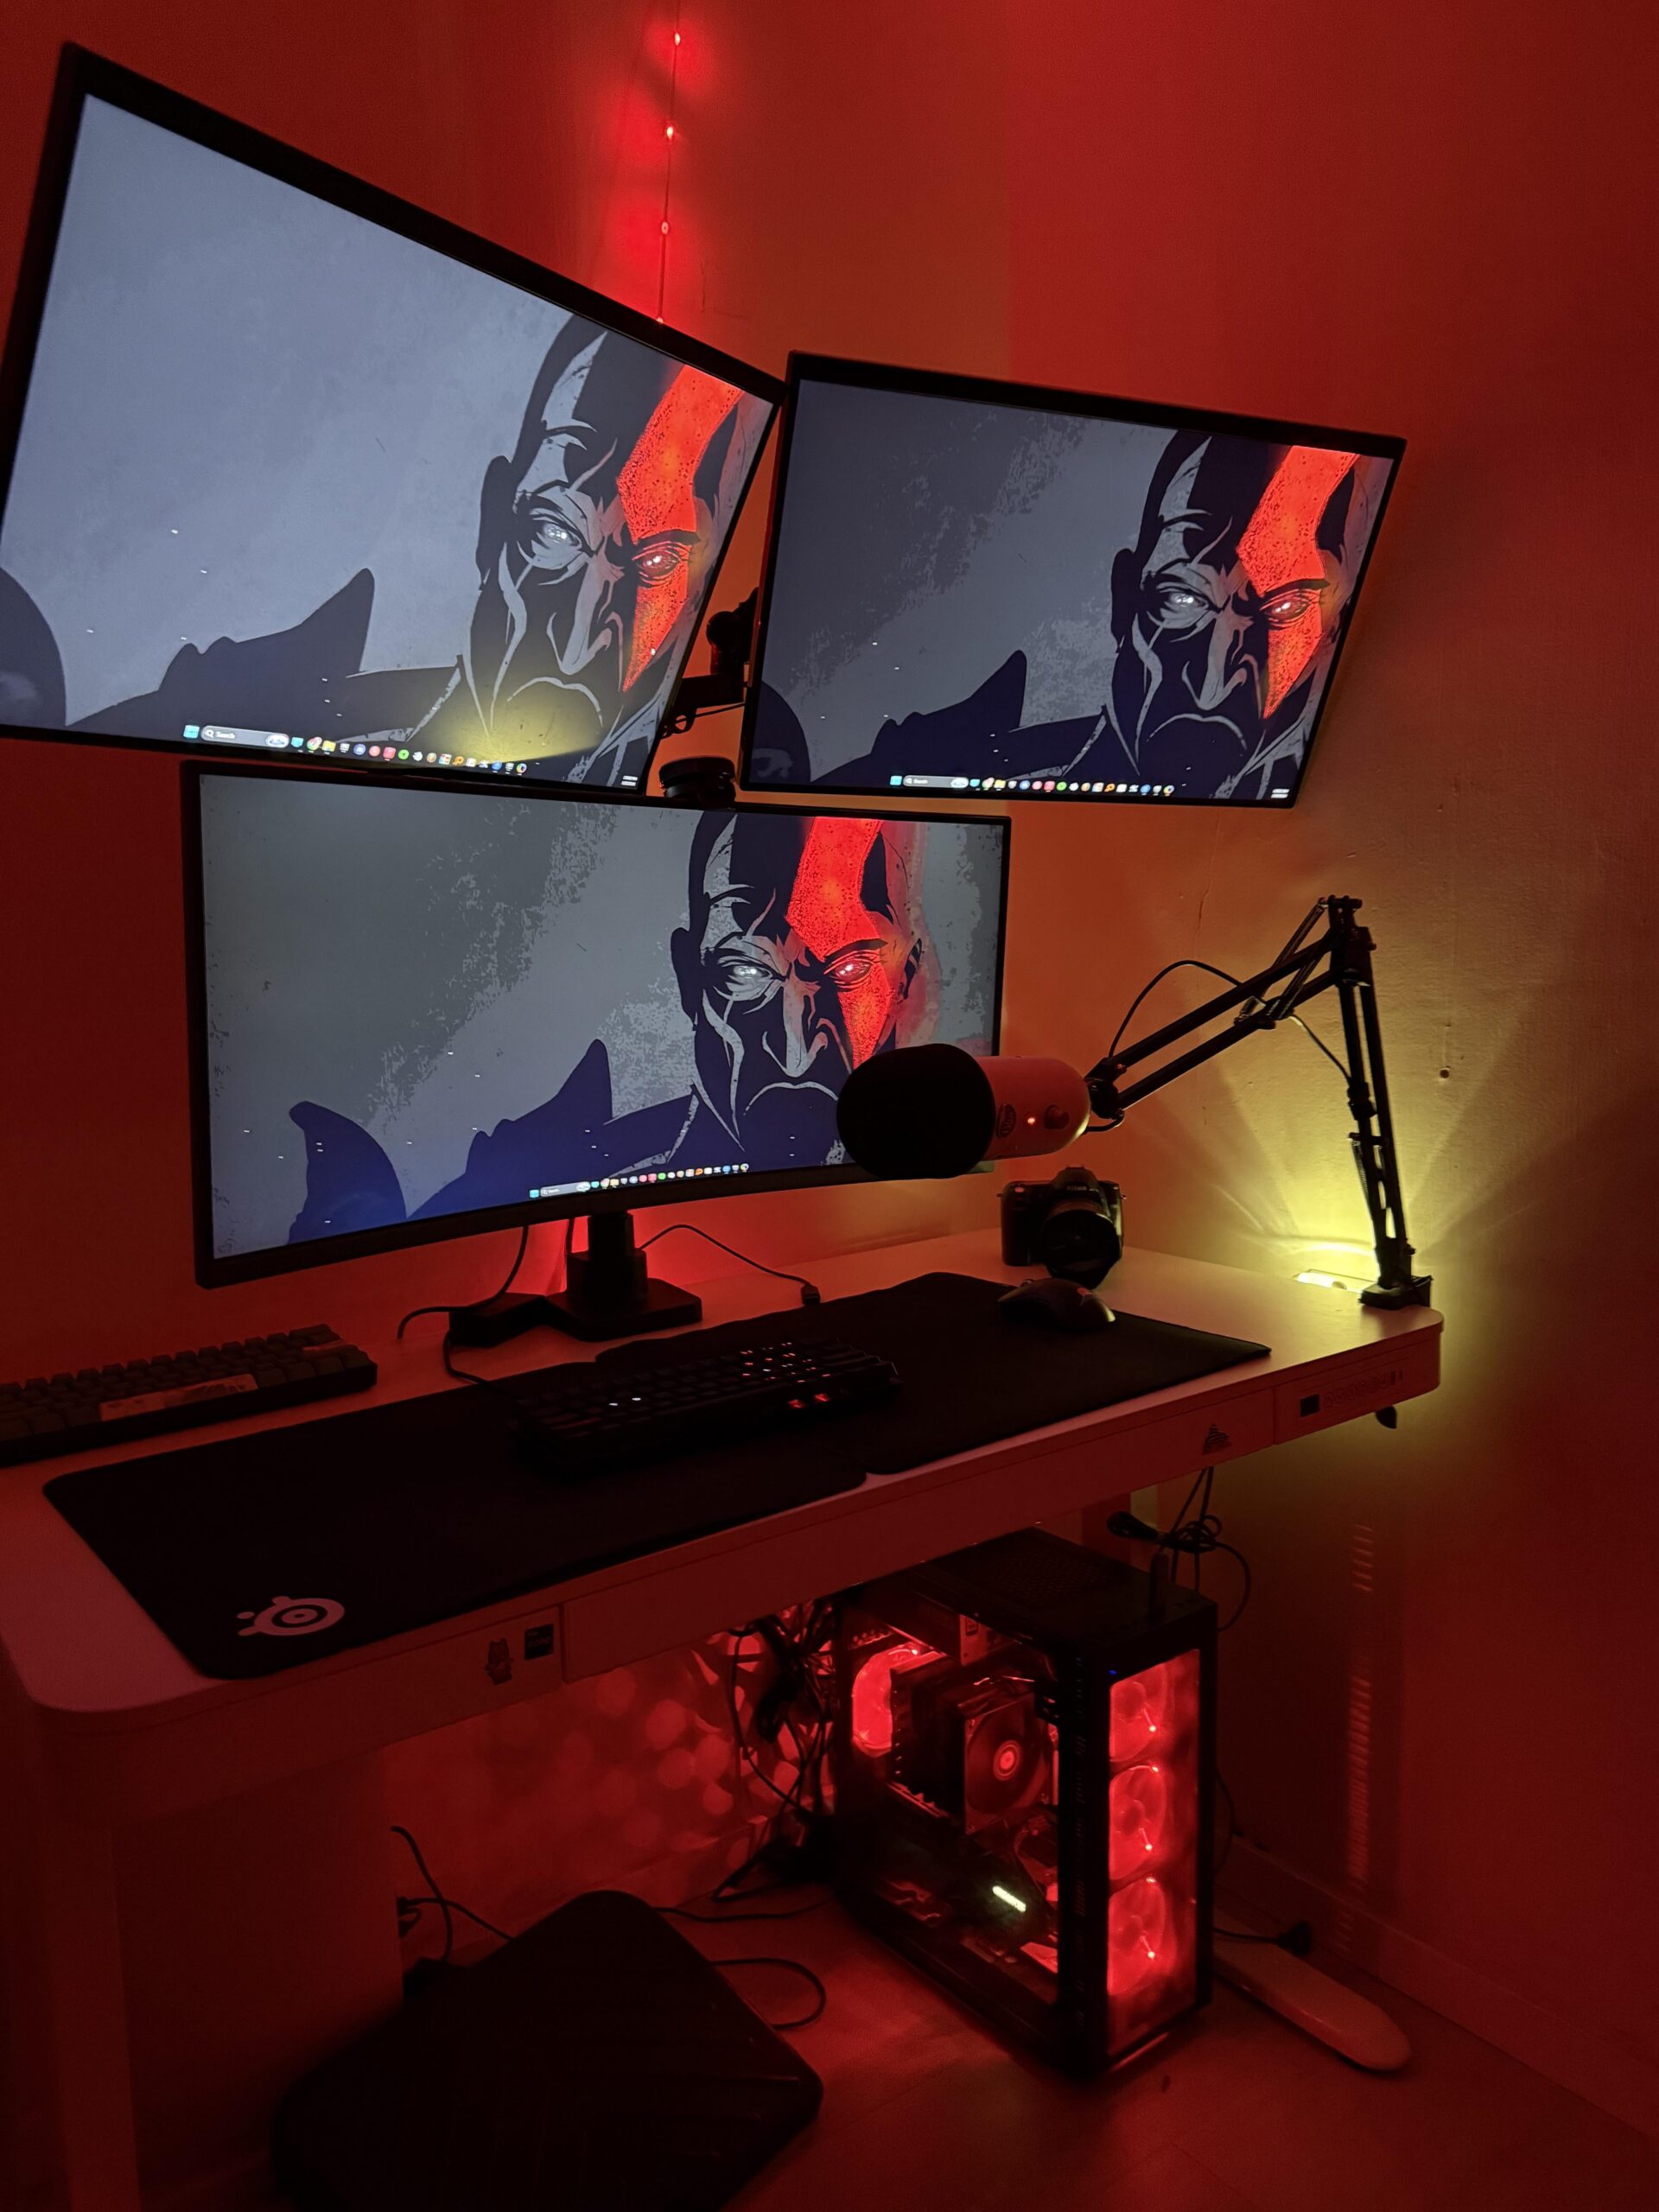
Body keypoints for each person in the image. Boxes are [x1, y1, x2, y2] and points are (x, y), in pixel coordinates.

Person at [3, 321, 758, 787]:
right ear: (492, 522)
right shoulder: (313, 730)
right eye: (555, 534)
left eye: (657, 565)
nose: (583, 634)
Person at [286, 810, 938, 1242]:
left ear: (906, 975)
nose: (796, 1045)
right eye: (743, 972)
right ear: (688, 977)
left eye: (850, 969)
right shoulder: (595, 1170)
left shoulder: (939, 1154)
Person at [777, 429, 1385, 801]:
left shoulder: (1303, 784)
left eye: (1285, 608)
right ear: (1125, 598)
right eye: (1182, 600)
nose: (1214, 680)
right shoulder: (979, 773)